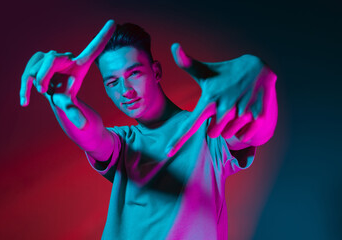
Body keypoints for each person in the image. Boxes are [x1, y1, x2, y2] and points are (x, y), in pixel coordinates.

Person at [20, 20, 277, 240]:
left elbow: (256, 133)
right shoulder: (123, 143)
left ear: (156, 71)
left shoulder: (207, 132)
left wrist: (262, 88)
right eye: (112, 82)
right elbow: (89, 135)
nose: (125, 90)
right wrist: (61, 100)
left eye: (134, 73)